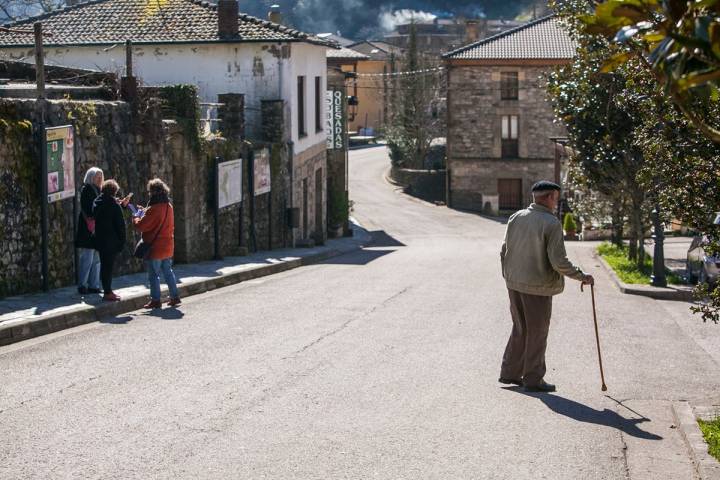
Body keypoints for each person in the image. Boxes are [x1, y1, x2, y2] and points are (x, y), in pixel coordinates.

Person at [499, 181, 594, 393]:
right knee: (537, 332)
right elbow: (558, 261)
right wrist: (581, 276)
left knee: (520, 328)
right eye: (556, 197)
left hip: (514, 283)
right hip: (537, 287)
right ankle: (533, 379)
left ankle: (510, 373)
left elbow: (504, 250)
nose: (557, 202)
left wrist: (508, 275)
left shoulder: (517, 217)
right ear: (549, 197)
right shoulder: (551, 223)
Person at [133, 178, 181, 309]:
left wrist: (137, 216)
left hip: (155, 247)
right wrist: (146, 211)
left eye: (150, 191)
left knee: (154, 274)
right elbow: (157, 219)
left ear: (153, 192)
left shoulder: (154, 209)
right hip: (168, 245)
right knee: (168, 271)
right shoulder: (168, 206)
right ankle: (175, 296)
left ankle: (155, 300)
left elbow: (142, 226)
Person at [92, 179, 127, 302]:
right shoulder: (114, 205)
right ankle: (107, 292)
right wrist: (122, 241)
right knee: (108, 267)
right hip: (112, 241)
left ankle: (107, 290)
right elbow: (120, 225)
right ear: (114, 191)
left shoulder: (97, 202)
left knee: (104, 265)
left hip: (100, 239)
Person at [75, 167, 103, 295]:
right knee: (88, 258)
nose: (99, 179)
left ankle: (94, 285)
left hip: (96, 229)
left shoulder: (100, 190)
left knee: (96, 258)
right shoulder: (87, 189)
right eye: (97, 177)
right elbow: (88, 208)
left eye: (101, 177)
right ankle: (82, 284)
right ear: (91, 177)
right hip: (88, 228)